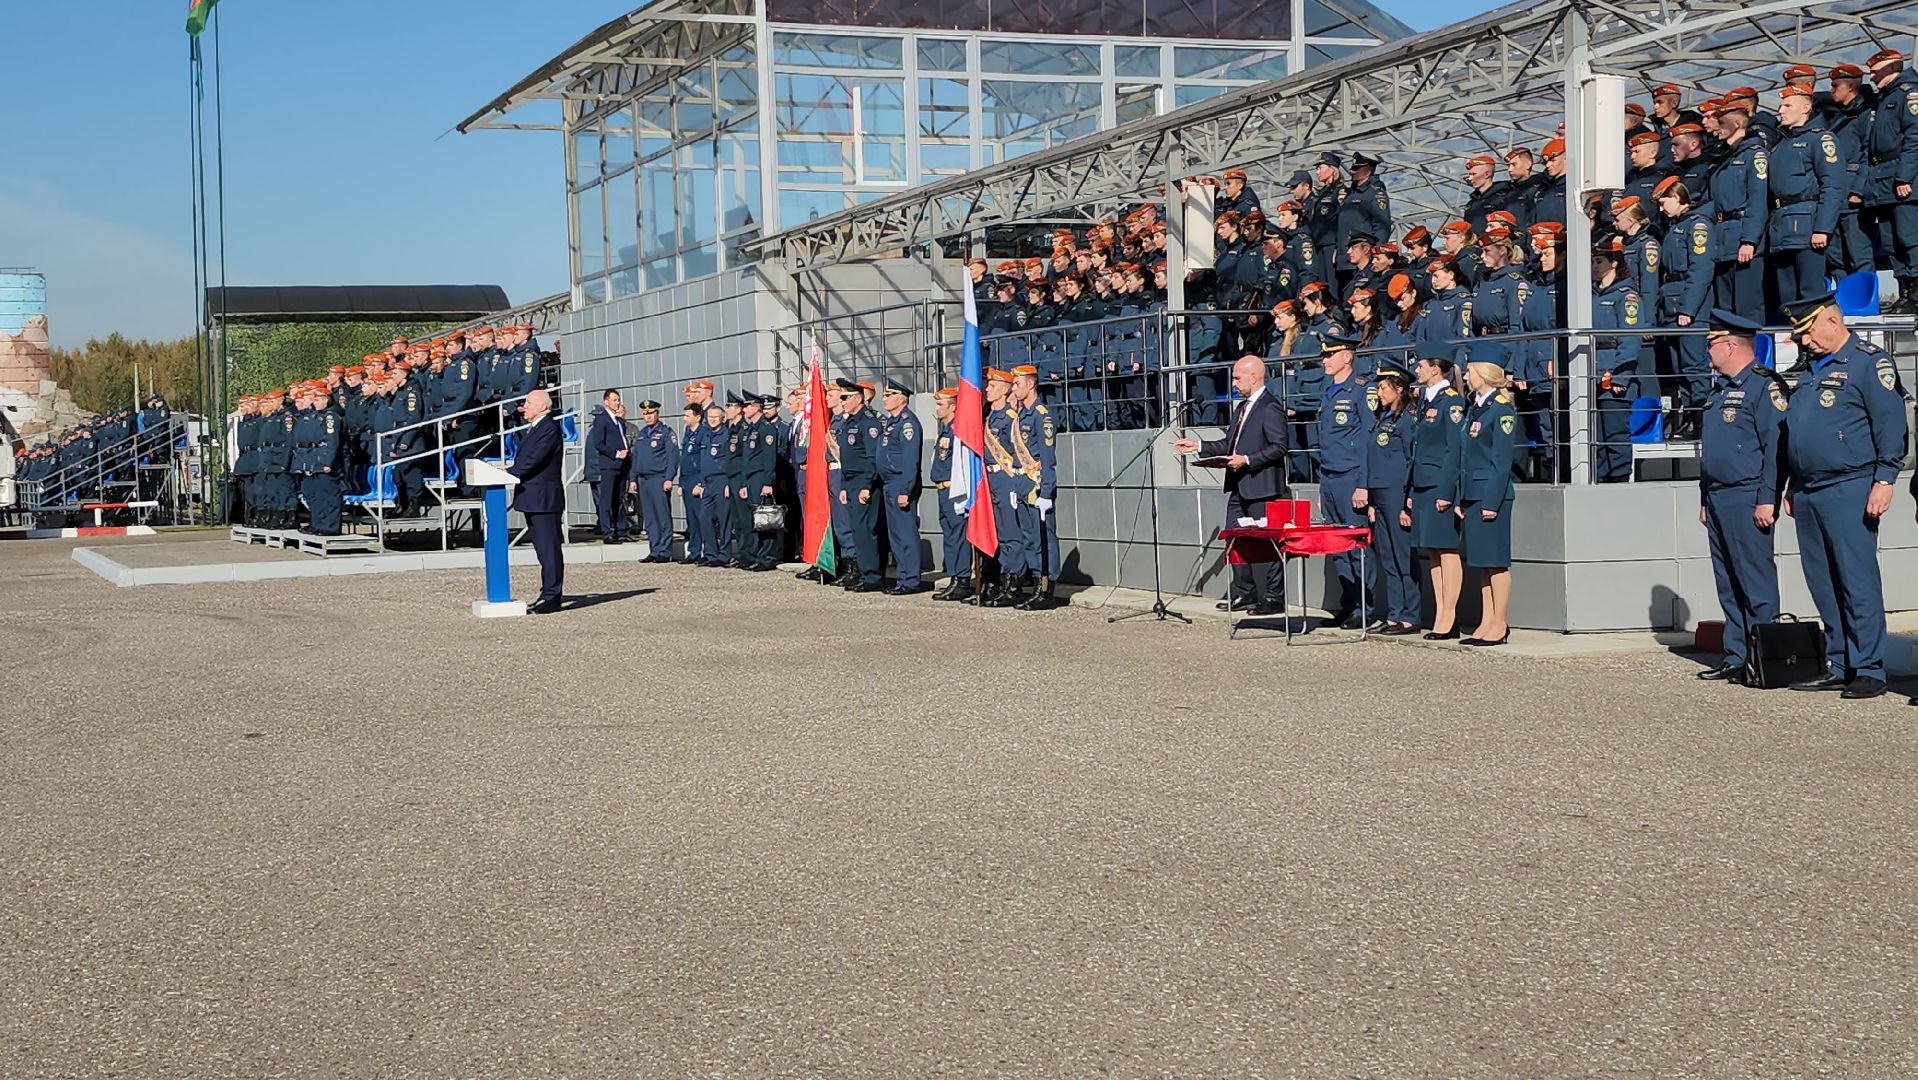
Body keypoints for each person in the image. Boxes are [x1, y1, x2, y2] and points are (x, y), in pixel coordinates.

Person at [1781, 291, 1906, 699]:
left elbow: (1891, 426)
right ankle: (1839, 661)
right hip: (1809, 489)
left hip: (1851, 485)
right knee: (1823, 582)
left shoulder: (1870, 363)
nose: (1803, 341)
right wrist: (1791, 487)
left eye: (1808, 331)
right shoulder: (1812, 369)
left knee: (1856, 580)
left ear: (1832, 321)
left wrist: (1884, 479)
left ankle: (1869, 667)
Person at [1696, 309, 1785, 684]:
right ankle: (1736, 654)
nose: (1708, 352)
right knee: (1728, 580)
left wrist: (1769, 498)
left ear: (1731, 345)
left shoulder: (1764, 387)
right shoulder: (1721, 390)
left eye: (1712, 344)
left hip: (1747, 494)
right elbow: (1712, 450)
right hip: (1718, 496)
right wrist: (1704, 497)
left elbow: (1776, 447)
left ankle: (1765, 657)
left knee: (1755, 581)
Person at [1172, 355, 1290, 616]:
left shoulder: (1270, 407)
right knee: (1234, 538)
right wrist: (1199, 446)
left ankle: (1274, 596)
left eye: (1237, 377)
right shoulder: (1242, 408)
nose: (1234, 383)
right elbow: (1230, 445)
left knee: (1270, 542)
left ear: (1254, 377)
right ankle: (1244, 592)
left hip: (1264, 487)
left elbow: (1280, 447)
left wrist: (1247, 460)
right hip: (1238, 485)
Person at [1314, 328, 1376, 629]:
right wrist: (1321, 483)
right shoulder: (1328, 392)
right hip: (1330, 476)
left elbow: (1367, 438)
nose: (1324, 360)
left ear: (1347, 357)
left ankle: (1366, 606)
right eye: (1324, 355)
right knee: (1337, 546)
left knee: (1356, 544)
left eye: (1330, 355)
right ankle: (1348, 603)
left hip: (1351, 475)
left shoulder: (1363, 389)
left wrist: (1364, 483)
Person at [1768, 86, 1847, 308]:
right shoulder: (1780, 145)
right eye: (1781, 105)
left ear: (1805, 108)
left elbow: (1832, 185)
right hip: (1781, 230)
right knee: (1787, 297)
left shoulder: (1821, 139)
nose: (1780, 110)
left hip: (1808, 227)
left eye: (1787, 105)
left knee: (1810, 293)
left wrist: (1822, 228)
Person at [1458, 361, 1518, 646]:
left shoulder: (1501, 410)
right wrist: (1462, 496)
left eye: (1470, 372)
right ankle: (1487, 620)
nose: (1466, 377)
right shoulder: (1476, 408)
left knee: (1496, 563)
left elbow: (1501, 462)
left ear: (1484, 376)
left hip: (1490, 495)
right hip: (1473, 493)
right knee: (1482, 563)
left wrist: (1491, 502)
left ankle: (1500, 623)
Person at [1364, 364, 1419, 635]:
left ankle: (1410, 615)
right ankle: (1395, 613)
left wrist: (1408, 500)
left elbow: (1411, 460)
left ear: (1399, 389)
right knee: (1388, 557)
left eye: (1384, 388)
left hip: (1397, 493)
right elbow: (1374, 459)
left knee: (1403, 555)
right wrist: (1372, 500)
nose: (1379, 393)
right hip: (1380, 493)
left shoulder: (1408, 418)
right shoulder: (1382, 417)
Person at [1865, 49, 1918, 313]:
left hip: (1901, 179)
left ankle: (1916, 292)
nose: (1872, 77)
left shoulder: (1908, 94)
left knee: (1909, 237)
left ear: (1891, 68)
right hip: (1882, 181)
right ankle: (1904, 291)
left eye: (1875, 71)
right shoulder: (1883, 98)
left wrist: (1904, 176)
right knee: (1891, 240)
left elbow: (1915, 138)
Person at [507, 389, 567, 614]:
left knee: (549, 548)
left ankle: (552, 595)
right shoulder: (535, 427)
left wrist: (511, 474)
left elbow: (534, 459)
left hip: (544, 498)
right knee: (542, 549)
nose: (524, 406)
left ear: (543, 406)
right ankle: (547, 592)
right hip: (532, 496)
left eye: (529, 402)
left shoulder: (548, 428)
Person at [1591, 240, 1645, 483]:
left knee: (1615, 434)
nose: (1594, 266)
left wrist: (1620, 376)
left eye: (1599, 261)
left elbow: (1630, 340)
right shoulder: (1591, 293)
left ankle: (1621, 481)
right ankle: (1602, 480)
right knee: (1597, 438)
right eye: (1593, 261)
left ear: (1614, 262)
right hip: (1591, 371)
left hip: (1613, 372)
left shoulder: (1626, 297)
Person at [1010, 365, 1062, 610]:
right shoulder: (1021, 415)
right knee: (1029, 538)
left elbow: (1048, 458)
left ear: (1031, 384)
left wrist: (1047, 492)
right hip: (1022, 483)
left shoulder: (1042, 415)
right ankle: (1035, 586)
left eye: (1017, 384)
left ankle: (1046, 588)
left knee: (1044, 539)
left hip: (1037, 485)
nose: (1014, 388)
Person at [876, 380, 927, 594]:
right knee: (895, 534)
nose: (884, 399)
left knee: (905, 534)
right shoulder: (891, 422)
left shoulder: (908, 423)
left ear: (901, 399)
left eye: (889, 395)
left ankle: (911, 580)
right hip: (889, 483)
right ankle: (902, 577)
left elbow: (910, 461)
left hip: (900, 484)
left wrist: (906, 489)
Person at [834, 381, 884, 591]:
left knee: (865, 531)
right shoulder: (849, 422)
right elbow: (847, 459)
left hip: (865, 482)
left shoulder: (868, 423)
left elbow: (873, 459)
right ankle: (864, 573)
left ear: (858, 398)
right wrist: (845, 486)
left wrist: (867, 486)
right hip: (852, 481)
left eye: (846, 398)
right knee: (857, 530)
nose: (842, 402)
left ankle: (872, 576)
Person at [928, 388, 973, 602]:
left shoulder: (958, 430)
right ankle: (954, 577)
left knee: (958, 536)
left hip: (954, 490)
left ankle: (962, 579)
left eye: (940, 404)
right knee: (949, 536)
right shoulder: (946, 430)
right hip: (942, 489)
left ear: (953, 407)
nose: (936, 409)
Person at [630, 400, 680, 563]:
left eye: (651, 413)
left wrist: (668, 478)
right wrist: (633, 478)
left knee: (662, 515)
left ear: (657, 413)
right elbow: (636, 458)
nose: (648, 417)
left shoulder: (666, 433)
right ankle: (654, 548)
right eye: (645, 414)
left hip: (659, 479)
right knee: (650, 517)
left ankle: (665, 551)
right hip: (643, 480)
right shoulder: (642, 434)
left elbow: (673, 457)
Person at [589, 390, 632, 544]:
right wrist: (615, 453)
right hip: (609, 464)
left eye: (618, 400)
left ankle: (620, 530)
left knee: (619, 498)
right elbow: (599, 443)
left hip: (622, 465)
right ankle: (607, 531)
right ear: (606, 402)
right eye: (614, 400)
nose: (617, 403)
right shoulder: (601, 420)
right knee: (606, 499)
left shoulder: (619, 421)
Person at [678, 403, 710, 565]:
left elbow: (704, 460)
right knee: (691, 519)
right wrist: (681, 483)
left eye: (688, 415)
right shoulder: (688, 432)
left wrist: (701, 483)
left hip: (697, 479)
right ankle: (694, 551)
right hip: (687, 480)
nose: (685, 418)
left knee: (701, 517)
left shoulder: (703, 432)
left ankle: (707, 550)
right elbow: (684, 458)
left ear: (697, 417)